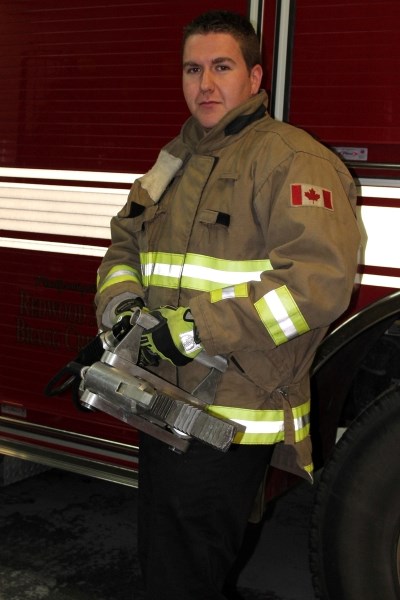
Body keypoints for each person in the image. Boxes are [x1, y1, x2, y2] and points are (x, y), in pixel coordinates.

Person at [95, 9, 360, 599]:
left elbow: (317, 287)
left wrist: (190, 328)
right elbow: (124, 241)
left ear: (256, 78)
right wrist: (120, 306)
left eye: (221, 67)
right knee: (169, 561)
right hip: (161, 399)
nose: (205, 84)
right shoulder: (175, 156)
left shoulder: (293, 159)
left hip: (231, 415)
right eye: (193, 69)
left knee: (183, 574)